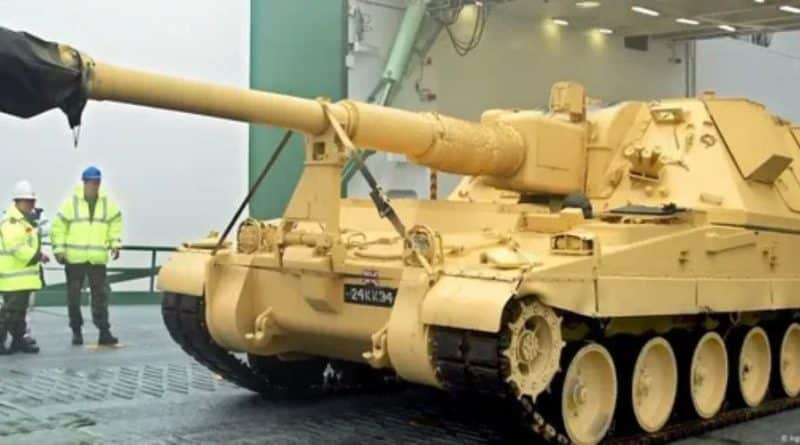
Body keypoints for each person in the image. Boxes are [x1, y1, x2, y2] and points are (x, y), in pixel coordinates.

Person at [51, 166, 123, 346]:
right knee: (74, 298)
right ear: (84, 182)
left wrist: (115, 243)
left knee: (100, 297)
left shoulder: (107, 204)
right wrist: (59, 250)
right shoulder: (71, 204)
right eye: (92, 182)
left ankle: (104, 331)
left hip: (97, 259)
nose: (95, 185)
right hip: (74, 259)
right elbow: (58, 228)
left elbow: (115, 222)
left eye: (97, 182)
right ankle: (76, 331)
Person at [0, 180, 48, 354]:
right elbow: (16, 247)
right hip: (13, 278)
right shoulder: (12, 222)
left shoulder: (25, 222)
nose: (30, 205)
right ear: (17, 201)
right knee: (10, 311)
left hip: (23, 277)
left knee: (19, 312)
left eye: (32, 201)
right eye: (27, 201)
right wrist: (37, 256)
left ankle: (18, 340)